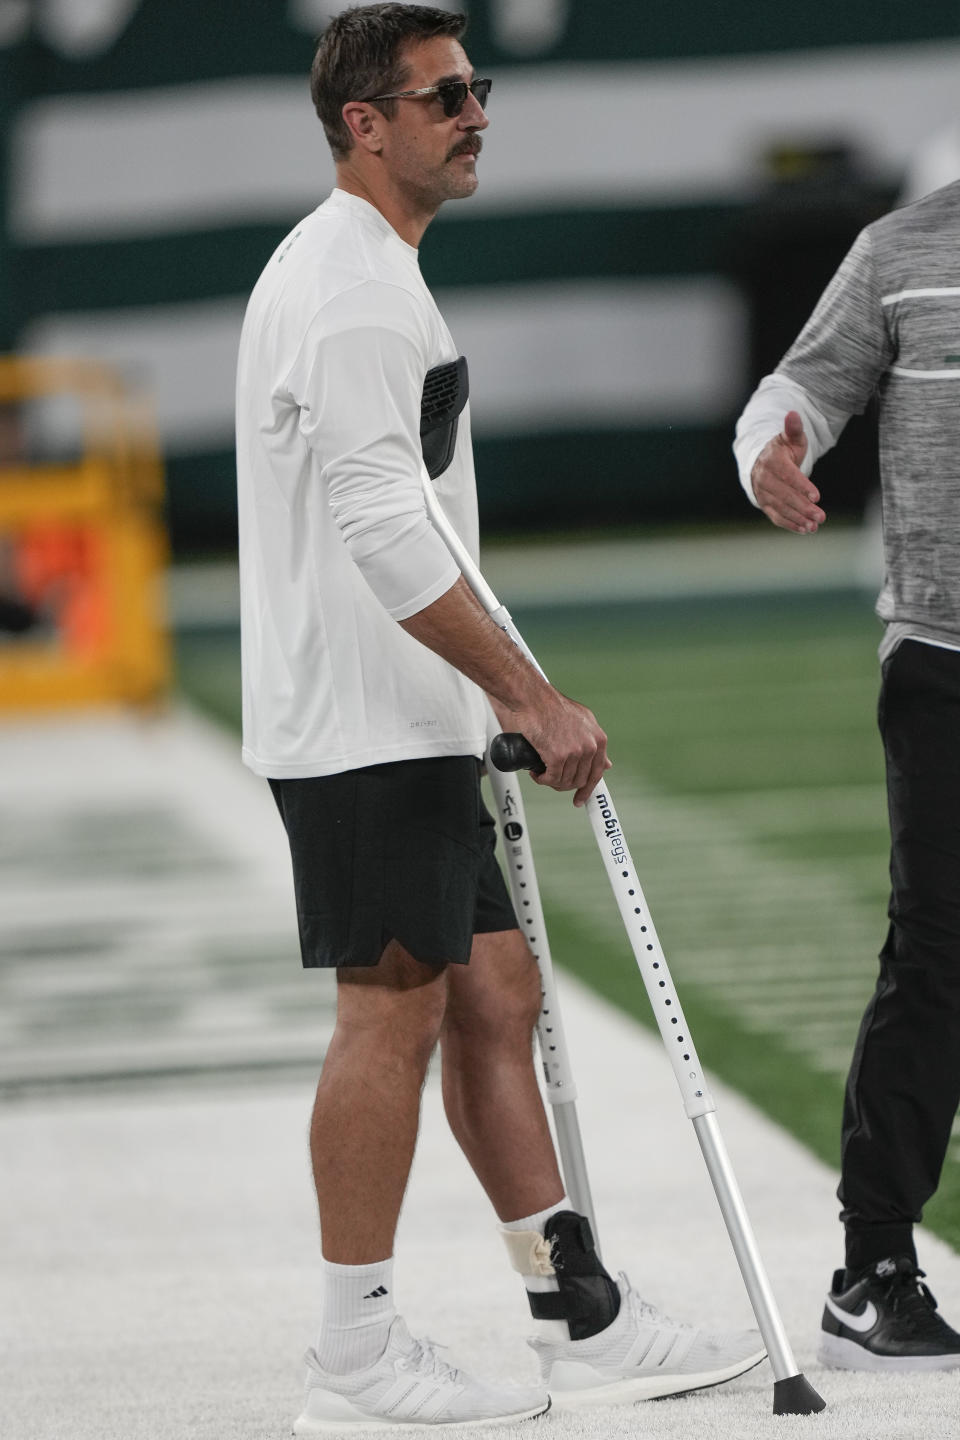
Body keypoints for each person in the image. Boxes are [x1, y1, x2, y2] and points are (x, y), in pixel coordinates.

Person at [236, 5, 764, 1430]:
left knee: (496, 993)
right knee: (391, 1010)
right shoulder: (351, 288)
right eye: (447, 95)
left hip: (410, 716)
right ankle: (352, 1353)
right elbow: (377, 529)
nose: (477, 114)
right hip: (361, 723)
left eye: (480, 89)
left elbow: (415, 517)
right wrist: (525, 690)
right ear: (367, 123)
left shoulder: (377, 273)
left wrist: (489, 694)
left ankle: (573, 1309)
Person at [734, 175, 960, 1373]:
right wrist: (764, 459)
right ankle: (874, 1270)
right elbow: (801, 388)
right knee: (939, 950)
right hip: (946, 651)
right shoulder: (903, 248)